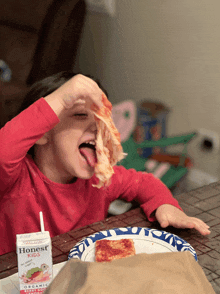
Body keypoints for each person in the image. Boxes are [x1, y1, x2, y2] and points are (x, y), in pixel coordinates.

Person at [0, 72, 210, 255]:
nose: (97, 126)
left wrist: (165, 205)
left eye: (102, 118)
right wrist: (63, 97)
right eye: (81, 114)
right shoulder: (14, 179)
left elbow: (142, 182)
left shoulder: (101, 180)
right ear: (43, 132)